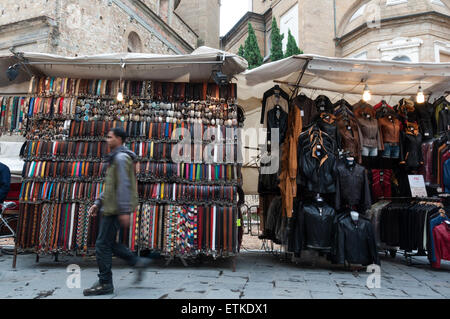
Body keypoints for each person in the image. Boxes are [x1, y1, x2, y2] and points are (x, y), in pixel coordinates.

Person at [83, 128, 152, 296]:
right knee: (108, 243)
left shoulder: (120, 158)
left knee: (102, 245)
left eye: (110, 137)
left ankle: (105, 283)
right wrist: (98, 203)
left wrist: (123, 211)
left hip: (114, 208)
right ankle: (137, 262)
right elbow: (111, 185)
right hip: (111, 206)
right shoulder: (117, 157)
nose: (107, 140)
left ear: (119, 139)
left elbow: (123, 186)